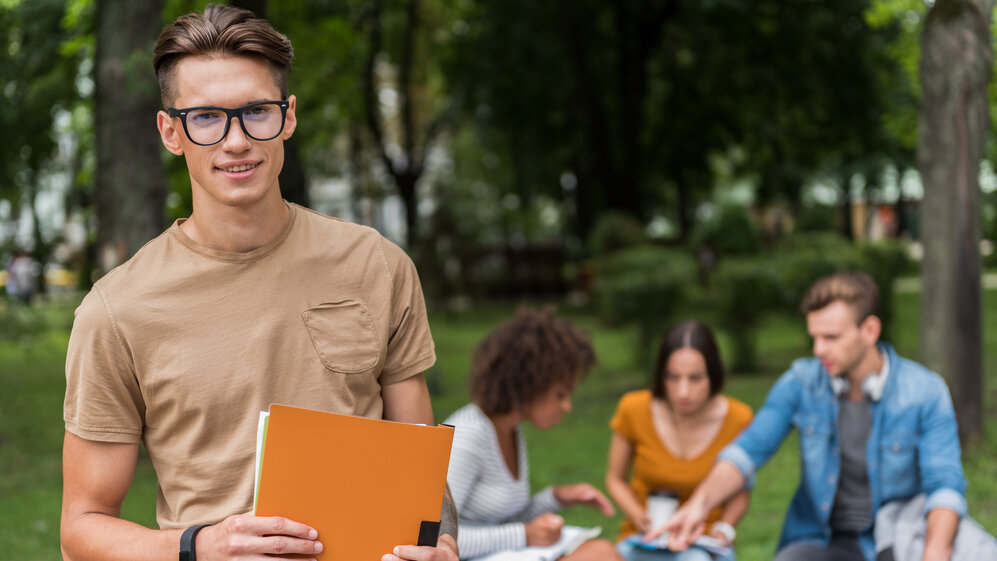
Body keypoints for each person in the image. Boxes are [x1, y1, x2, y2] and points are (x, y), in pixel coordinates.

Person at [60, 5, 456, 561]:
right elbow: (81, 529)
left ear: (288, 117)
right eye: (206, 117)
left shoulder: (377, 265)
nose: (236, 140)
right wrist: (200, 546)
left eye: (256, 111)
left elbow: (425, 480)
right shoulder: (117, 310)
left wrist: (441, 545)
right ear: (171, 131)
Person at [661, 272, 967, 561]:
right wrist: (698, 505)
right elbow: (747, 451)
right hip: (822, 541)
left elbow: (944, 486)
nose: (819, 349)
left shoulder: (925, 392)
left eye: (831, 337)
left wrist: (934, 553)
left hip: (894, 540)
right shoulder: (801, 382)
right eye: (815, 337)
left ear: (870, 331)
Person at [443, 308, 623, 561]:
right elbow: (436, 536)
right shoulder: (468, 436)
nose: (567, 406)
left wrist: (557, 497)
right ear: (529, 383)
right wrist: (525, 535)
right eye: (561, 394)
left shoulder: (511, 429)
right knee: (601, 554)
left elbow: (499, 522)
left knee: (601, 553)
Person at [606, 320, 752, 561]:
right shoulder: (633, 409)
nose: (683, 391)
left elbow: (741, 490)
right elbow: (615, 478)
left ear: (714, 374)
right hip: (644, 538)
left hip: (704, 542)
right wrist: (639, 517)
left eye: (695, 378)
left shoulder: (738, 418)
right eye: (673, 378)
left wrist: (724, 530)